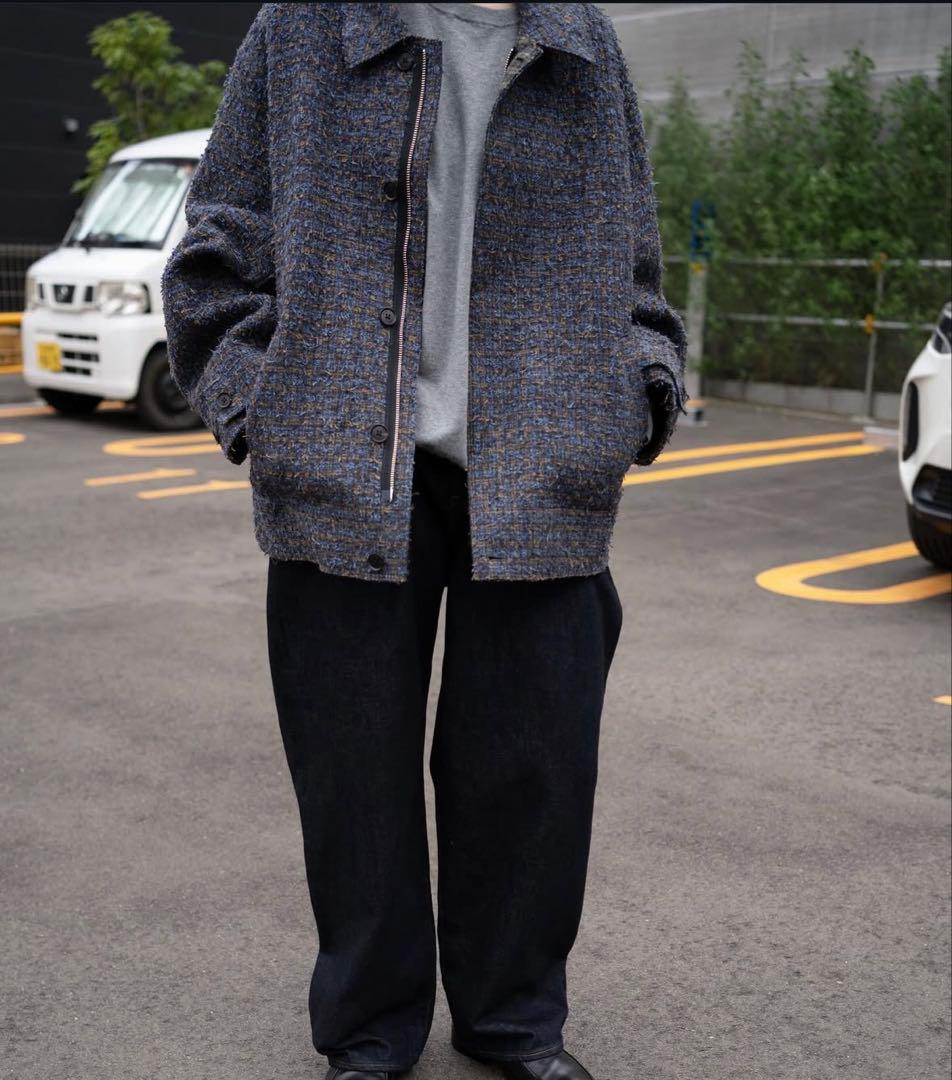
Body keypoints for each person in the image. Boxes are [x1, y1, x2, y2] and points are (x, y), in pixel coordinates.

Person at [161, 3, 688, 1078]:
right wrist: (260, 403)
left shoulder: (582, 41)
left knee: (533, 773)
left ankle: (513, 1020)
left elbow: (634, 257)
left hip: (542, 468)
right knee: (352, 777)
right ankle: (369, 1031)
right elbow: (219, 238)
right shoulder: (303, 28)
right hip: (343, 464)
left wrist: (639, 386)